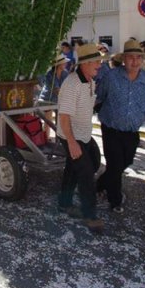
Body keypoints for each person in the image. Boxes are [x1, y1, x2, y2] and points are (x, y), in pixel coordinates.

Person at [96, 39, 145, 213]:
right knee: (115, 164)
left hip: (131, 131)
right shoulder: (111, 77)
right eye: (131, 57)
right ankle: (115, 200)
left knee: (126, 161)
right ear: (124, 59)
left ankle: (101, 183)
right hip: (110, 128)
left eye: (138, 57)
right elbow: (99, 97)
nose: (135, 61)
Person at [57, 43, 104, 233]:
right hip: (71, 135)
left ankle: (64, 202)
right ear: (85, 63)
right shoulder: (72, 84)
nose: (99, 65)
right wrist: (71, 142)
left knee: (90, 163)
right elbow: (64, 116)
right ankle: (90, 215)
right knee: (85, 173)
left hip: (83, 134)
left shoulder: (91, 81)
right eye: (96, 62)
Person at [38, 54, 69, 137]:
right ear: (58, 64)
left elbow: (67, 87)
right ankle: (46, 138)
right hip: (47, 99)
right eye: (64, 63)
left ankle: (60, 139)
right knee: (48, 121)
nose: (65, 64)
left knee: (61, 120)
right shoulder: (50, 74)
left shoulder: (65, 73)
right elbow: (57, 90)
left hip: (58, 100)